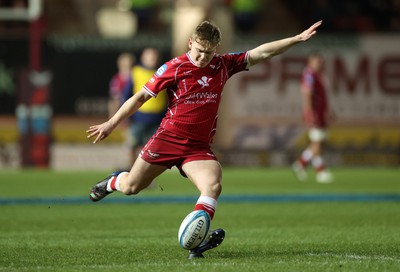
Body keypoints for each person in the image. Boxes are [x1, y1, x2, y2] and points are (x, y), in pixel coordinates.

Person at [87, 20, 323, 258]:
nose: (202, 57)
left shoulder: (223, 65)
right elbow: (139, 98)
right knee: (131, 187)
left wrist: (295, 39)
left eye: (208, 52)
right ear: (190, 43)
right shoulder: (174, 67)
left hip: (197, 148)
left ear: (216, 49)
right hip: (167, 139)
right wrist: (111, 123)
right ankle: (112, 183)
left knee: (213, 185)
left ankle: (195, 243)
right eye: (199, 51)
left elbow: (261, 51)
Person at [292, 52, 334, 183]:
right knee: (317, 142)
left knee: (319, 142)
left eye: (321, 62)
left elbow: (322, 96)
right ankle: (320, 172)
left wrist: (329, 110)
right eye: (317, 61)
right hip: (315, 113)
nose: (320, 64)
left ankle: (301, 163)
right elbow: (306, 92)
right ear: (310, 62)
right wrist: (309, 111)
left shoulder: (318, 75)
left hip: (320, 112)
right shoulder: (309, 74)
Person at [122, 48, 167, 166]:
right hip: (138, 118)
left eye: (155, 57)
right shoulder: (136, 72)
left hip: (158, 119)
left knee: (152, 150)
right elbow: (126, 95)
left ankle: (146, 175)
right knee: (133, 144)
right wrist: (126, 116)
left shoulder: (164, 72)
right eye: (150, 57)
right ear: (143, 58)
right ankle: (131, 171)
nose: (153, 59)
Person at [108, 53, 135, 118]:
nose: (127, 69)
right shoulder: (116, 80)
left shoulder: (136, 77)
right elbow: (115, 98)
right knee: (112, 103)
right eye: (124, 66)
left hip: (135, 105)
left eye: (129, 66)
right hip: (122, 106)